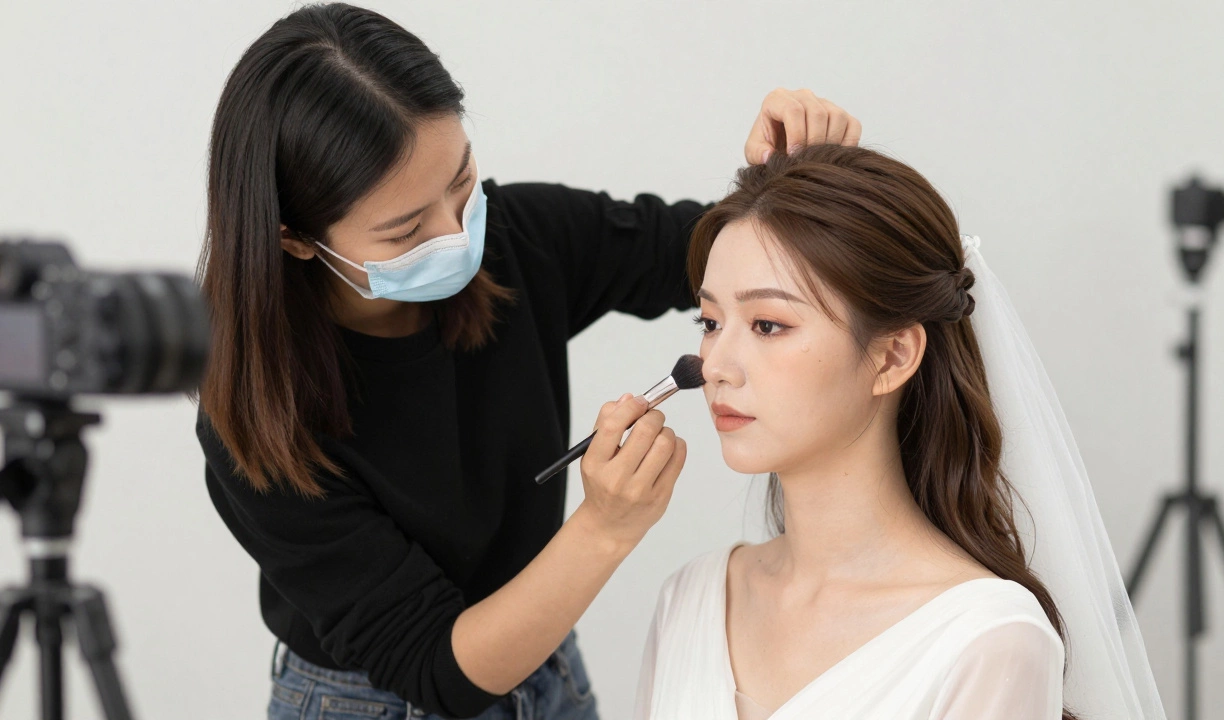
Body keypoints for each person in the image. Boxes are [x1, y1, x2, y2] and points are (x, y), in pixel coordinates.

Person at [194, 4, 860, 719]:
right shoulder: (253, 410)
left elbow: (701, 254)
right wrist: (605, 527)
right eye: (406, 230)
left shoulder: (520, 239)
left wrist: (790, 176)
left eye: (459, 183)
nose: (458, 236)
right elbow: (438, 672)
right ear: (296, 239)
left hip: (548, 672)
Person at [635, 145, 1166, 719]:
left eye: (768, 325)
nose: (714, 364)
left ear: (892, 357)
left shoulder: (989, 640)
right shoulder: (690, 601)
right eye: (710, 323)